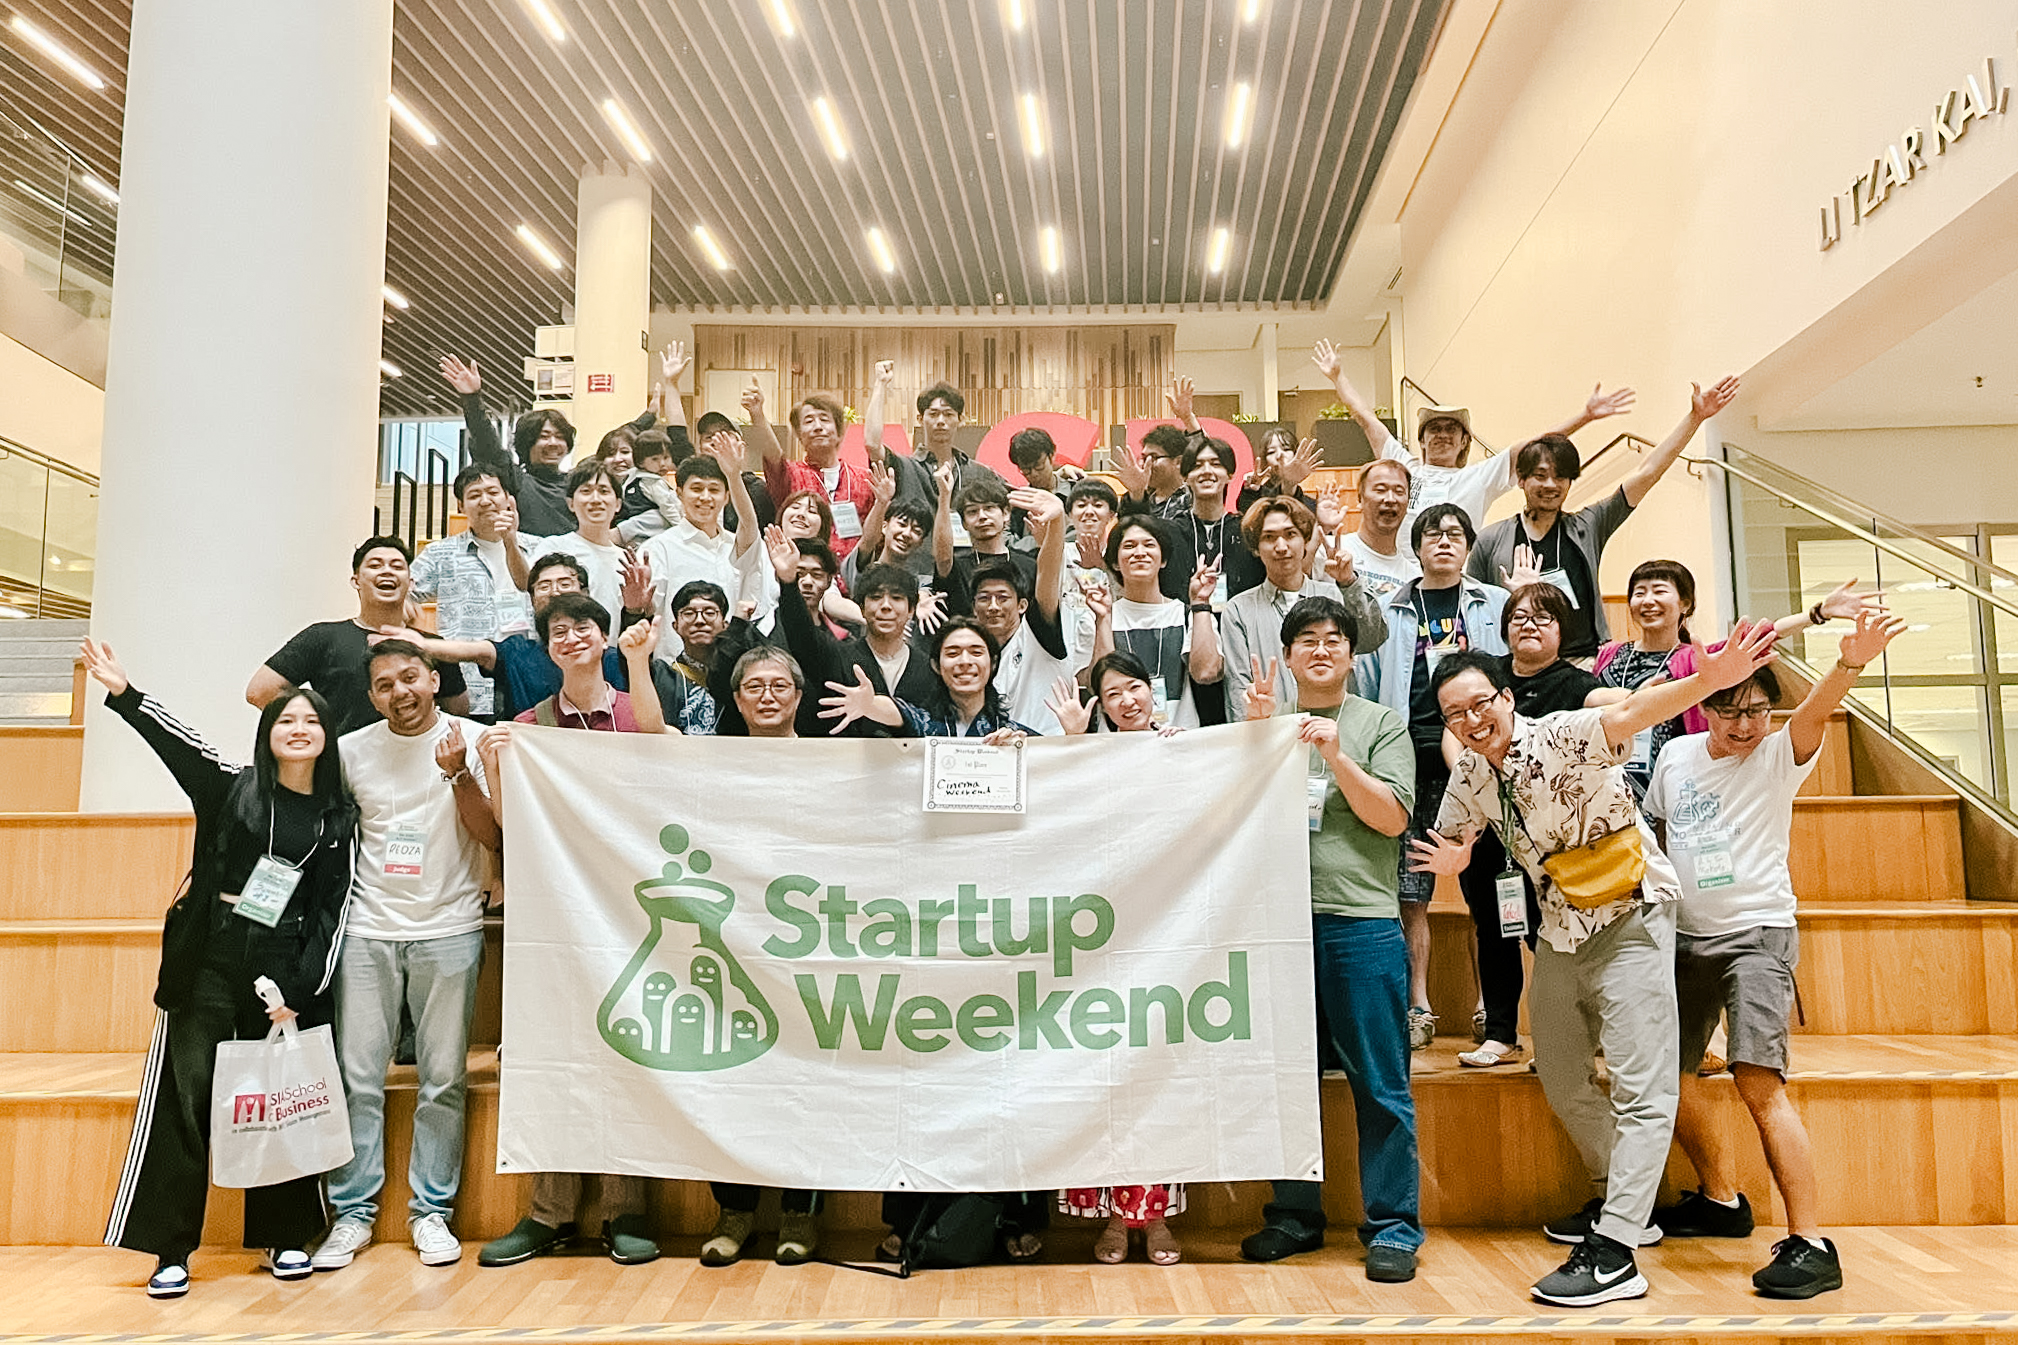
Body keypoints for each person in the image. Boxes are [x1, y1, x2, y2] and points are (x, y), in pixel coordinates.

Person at [1411, 621, 1778, 1307]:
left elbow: (1637, 710)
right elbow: (1457, 833)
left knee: (1644, 1086)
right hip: (1560, 928)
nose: (1472, 719)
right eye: (1456, 713)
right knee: (1558, 1068)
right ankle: (1622, 1201)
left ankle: (1616, 1251)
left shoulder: (1563, 733)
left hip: (1632, 912)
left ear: (1506, 698)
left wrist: (1710, 680)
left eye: (1482, 702)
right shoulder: (1469, 773)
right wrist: (1458, 857)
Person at [83, 641, 358, 1298]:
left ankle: (285, 1235)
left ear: (326, 738)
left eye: (311, 721)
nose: (298, 729)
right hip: (209, 956)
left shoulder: (336, 816)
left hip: (281, 968)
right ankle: (171, 1249)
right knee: (184, 1099)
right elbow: (179, 745)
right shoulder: (232, 786)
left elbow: (333, 910)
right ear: (269, 732)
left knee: (279, 1100)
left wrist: (300, 989)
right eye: (286, 720)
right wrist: (126, 694)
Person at [1645, 610, 1905, 1299]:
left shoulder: (1779, 753)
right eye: (1729, 710)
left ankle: (1811, 1243)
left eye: (1756, 711)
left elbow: (1816, 708)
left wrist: (1848, 663)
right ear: (1704, 708)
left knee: (1759, 1082)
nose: (1744, 725)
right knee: (1667, 1074)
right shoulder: (1675, 757)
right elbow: (1663, 834)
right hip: (1687, 936)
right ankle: (1721, 1200)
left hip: (1757, 934)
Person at [473, 607, 668, 1271]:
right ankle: (548, 1211)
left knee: (626, 1048)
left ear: (602, 638)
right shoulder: (530, 727)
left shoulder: (632, 707)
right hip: (557, 911)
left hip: (629, 907)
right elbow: (511, 821)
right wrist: (494, 767)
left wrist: (639, 661)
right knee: (553, 1050)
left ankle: (625, 1209)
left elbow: (659, 750)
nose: (572, 637)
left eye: (584, 627)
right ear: (549, 649)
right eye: (559, 632)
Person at [1236, 596, 1422, 1282]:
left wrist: (1337, 755)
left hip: (1360, 922)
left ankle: (1394, 1227)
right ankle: (1294, 1215)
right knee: (1287, 1080)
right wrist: (1256, 739)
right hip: (1277, 924)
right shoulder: (1264, 723)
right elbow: (1228, 815)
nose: (1321, 649)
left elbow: (1392, 819)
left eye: (1333, 639)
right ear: (1287, 657)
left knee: (1381, 1084)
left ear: (1351, 653)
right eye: (1306, 640)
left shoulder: (1380, 723)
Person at [312, 639, 501, 1273]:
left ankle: (432, 1213)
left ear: (433, 678)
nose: (401, 692)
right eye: (386, 685)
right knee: (357, 1078)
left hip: (450, 927)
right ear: (372, 697)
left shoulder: (474, 739)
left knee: (442, 1079)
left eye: (411, 677)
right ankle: (352, 1214)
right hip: (367, 930)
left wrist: (459, 773)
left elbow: (493, 835)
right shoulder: (349, 752)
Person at [685, 644, 832, 1264]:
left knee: (810, 1081)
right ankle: (736, 1211)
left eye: (779, 685)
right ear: (737, 700)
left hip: (815, 946)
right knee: (734, 1078)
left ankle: (801, 1214)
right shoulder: (713, 767)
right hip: (736, 946)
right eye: (754, 687)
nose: (767, 696)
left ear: (799, 696)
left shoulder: (835, 765)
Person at [1351, 503, 1508, 1050]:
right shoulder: (1391, 608)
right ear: (1415, 547)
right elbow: (1369, 682)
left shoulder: (1495, 603)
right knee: (1410, 891)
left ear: (1468, 546)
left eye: (1455, 534)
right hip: (1407, 759)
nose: (1444, 542)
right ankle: (1418, 1005)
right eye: (1433, 534)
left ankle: (1491, 1005)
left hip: (1478, 757)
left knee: (1482, 889)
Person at [1042, 661, 1184, 1262]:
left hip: (1165, 932)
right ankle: (1112, 1218)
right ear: (1098, 705)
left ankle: (1155, 1217)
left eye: (1135, 688)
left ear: (1153, 691)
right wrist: (1074, 745)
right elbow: (1059, 818)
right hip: (1095, 934)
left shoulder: (1184, 749)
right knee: (1098, 1074)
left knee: (1156, 1076)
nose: (1126, 700)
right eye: (1112, 694)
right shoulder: (1088, 754)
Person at [1452, 582, 1626, 1069]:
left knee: (1554, 935)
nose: (1528, 625)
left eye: (1542, 617)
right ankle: (1500, 1034)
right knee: (1492, 929)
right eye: (1518, 617)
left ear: (1562, 630)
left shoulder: (1576, 684)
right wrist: (1470, 786)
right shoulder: (1486, 677)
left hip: (1551, 839)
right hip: (1490, 830)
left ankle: (1574, 1037)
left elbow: (1619, 704)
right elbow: (1456, 734)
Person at [1468, 378, 1741, 661]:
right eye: (1540, 475)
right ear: (1521, 480)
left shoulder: (1589, 525)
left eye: (1560, 477)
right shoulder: (1491, 540)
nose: (1550, 484)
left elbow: (1647, 473)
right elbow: (1472, 607)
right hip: (1518, 664)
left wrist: (1694, 418)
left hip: (1585, 661)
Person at [1597, 560, 1883, 796]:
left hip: (1674, 780)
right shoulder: (1609, 654)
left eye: (1659, 591)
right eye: (1639, 593)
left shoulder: (1701, 658)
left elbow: (1766, 633)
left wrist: (1818, 613)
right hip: (1604, 775)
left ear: (1685, 604)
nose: (1648, 601)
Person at [1310, 337, 1636, 535]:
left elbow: (1535, 444)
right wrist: (1338, 377)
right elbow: (1365, 418)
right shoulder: (1402, 467)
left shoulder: (1480, 477)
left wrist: (1585, 416)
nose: (1442, 435)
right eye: (1434, 429)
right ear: (1421, 440)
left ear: (1465, 441)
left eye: (1451, 430)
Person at [249, 536, 469, 735]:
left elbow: (458, 712)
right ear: (355, 580)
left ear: (410, 583)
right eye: (375, 565)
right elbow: (260, 690)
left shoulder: (433, 645)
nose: (387, 571)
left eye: (397, 566)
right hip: (343, 762)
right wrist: (315, 726)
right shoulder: (322, 637)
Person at [386, 552, 635, 724]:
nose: (555, 592)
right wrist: (423, 644)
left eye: (564, 583)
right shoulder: (518, 651)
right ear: (532, 599)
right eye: (544, 586)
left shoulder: (610, 657)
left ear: (585, 592)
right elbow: (477, 651)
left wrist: (635, 611)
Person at [441, 355, 646, 537]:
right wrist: (472, 399)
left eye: (559, 437)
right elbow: (488, 447)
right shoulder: (516, 481)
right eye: (544, 437)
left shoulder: (578, 482)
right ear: (527, 443)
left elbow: (613, 448)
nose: (553, 443)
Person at [1222, 496, 1387, 713]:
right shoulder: (1238, 610)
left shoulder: (1334, 595)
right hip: (1273, 729)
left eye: (1290, 534)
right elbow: (1238, 691)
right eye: (1269, 537)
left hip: (1338, 725)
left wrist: (1348, 583)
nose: (1281, 547)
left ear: (1305, 540)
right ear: (1256, 548)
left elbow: (1371, 640)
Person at [408, 468, 537, 721]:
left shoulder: (539, 547)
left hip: (529, 675)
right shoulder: (440, 553)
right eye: (475, 495)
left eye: (493, 492)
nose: (485, 501)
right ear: (461, 505)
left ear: (508, 499)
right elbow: (403, 593)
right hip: (469, 683)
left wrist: (510, 540)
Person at [637, 438, 774, 651]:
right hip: (675, 664)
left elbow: (749, 525)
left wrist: (733, 475)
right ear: (679, 493)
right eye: (697, 488)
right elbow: (646, 610)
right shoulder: (657, 549)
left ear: (727, 497)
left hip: (731, 661)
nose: (705, 497)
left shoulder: (737, 545)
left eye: (714, 490)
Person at [1088, 515, 1223, 729]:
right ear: (1114, 562)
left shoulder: (1188, 614)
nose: (1139, 553)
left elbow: (1206, 672)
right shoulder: (1098, 614)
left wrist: (1200, 603)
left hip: (1181, 737)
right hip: (1120, 741)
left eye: (1149, 545)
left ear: (1163, 560)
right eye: (1129, 546)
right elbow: (1098, 685)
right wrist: (1103, 619)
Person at [865, 362, 1005, 543]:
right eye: (933, 414)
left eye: (948, 414)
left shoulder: (979, 473)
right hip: (916, 558)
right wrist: (880, 383)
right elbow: (872, 444)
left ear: (960, 420)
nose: (940, 421)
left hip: (967, 559)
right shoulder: (904, 467)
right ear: (920, 419)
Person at [969, 490, 1069, 733]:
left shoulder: (1037, 633)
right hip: (997, 749)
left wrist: (1057, 523)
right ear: (973, 607)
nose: (993, 606)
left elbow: (1047, 574)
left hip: (1047, 747)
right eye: (984, 598)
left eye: (1003, 598)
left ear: (1022, 605)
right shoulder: (973, 654)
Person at [743, 382, 878, 560]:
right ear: (800, 435)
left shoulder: (863, 478)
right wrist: (757, 414)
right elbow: (772, 453)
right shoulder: (790, 474)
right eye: (808, 421)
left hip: (853, 571)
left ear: (839, 432)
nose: (818, 426)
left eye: (824, 419)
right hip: (801, 569)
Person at [521, 460, 636, 627]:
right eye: (586, 491)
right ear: (571, 504)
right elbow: (528, 591)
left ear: (618, 504)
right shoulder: (553, 548)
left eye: (603, 491)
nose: (595, 499)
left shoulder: (626, 561)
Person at [837, 563, 941, 704]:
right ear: (862, 608)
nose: (886, 606)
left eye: (896, 598)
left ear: (911, 610)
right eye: (876, 597)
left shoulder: (928, 669)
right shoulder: (840, 660)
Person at [1114, 375, 1204, 522]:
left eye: (1154, 457)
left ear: (1178, 462)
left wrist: (1188, 419)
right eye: (1144, 458)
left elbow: (1206, 457)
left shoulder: (1193, 496)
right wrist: (1137, 493)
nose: (1146, 464)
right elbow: (1128, 529)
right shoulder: (1137, 499)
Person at [648, 580, 733, 735]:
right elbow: (629, 665)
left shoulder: (738, 675)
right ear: (675, 626)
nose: (699, 620)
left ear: (725, 625)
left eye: (709, 613)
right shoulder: (662, 675)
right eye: (688, 613)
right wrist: (634, 612)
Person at [1338, 458, 1420, 603]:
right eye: (1380, 490)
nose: (1390, 499)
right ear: (1360, 498)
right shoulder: (1334, 551)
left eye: (1399, 492)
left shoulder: (1414, 579)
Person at [1060, 478, 1119, 670]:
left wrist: (1101, 568)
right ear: (1069, 515)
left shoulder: (1120, 555)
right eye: (1081, 505)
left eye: (1098, 505)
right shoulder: (1058, 554)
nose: (1089, 511)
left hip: (1109, 641)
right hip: (1066, 646)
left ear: (1111, 514)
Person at [613, 429, 685, 545]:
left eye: (666, 457)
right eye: (655, 459)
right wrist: (681, 529)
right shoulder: (654, 482)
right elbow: (667, 507)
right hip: (646, 535)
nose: (662, 463)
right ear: (641, 462)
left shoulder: (632, 476)